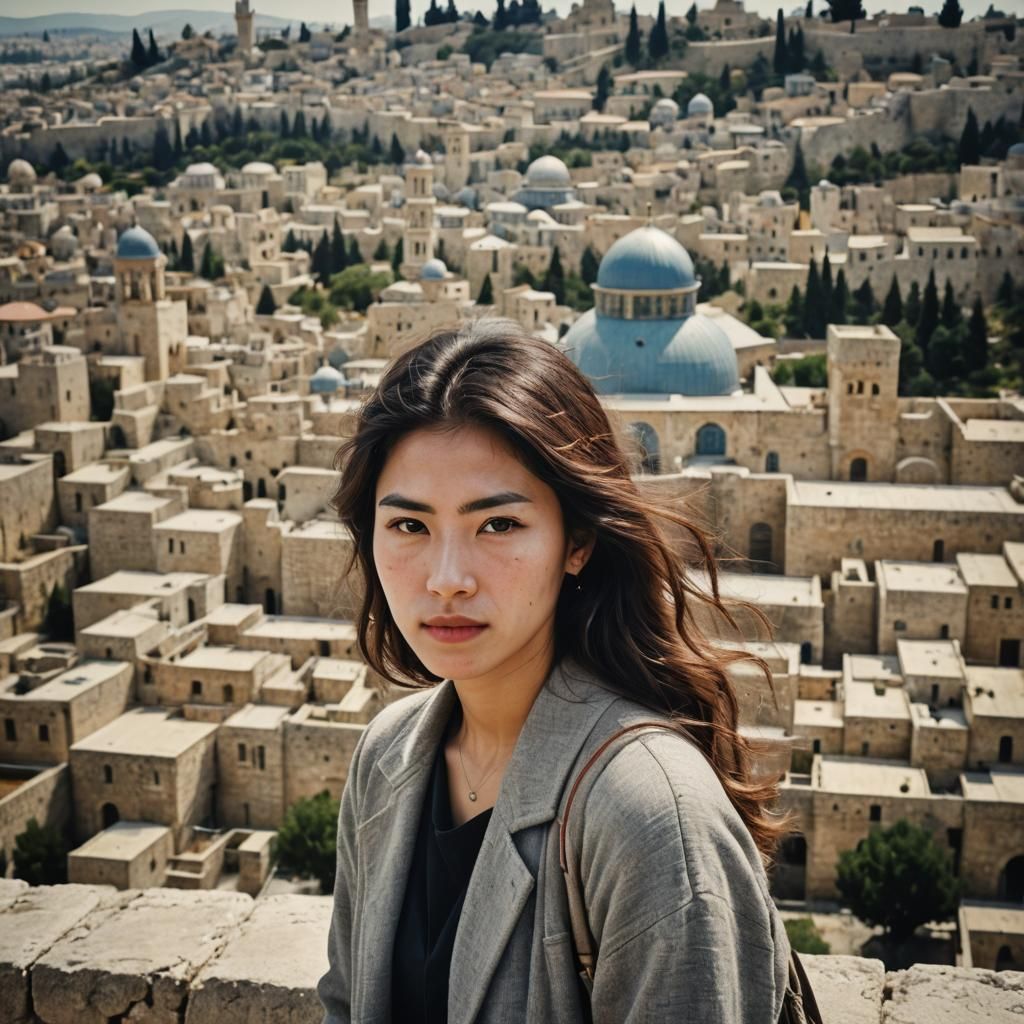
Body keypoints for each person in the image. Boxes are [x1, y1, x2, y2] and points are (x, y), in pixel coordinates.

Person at [317, 318, 794, 1023]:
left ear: (577, 542)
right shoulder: (388, 756)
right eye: (410, 526)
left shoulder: (649, 817)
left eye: (499, 525)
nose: (447, 579)